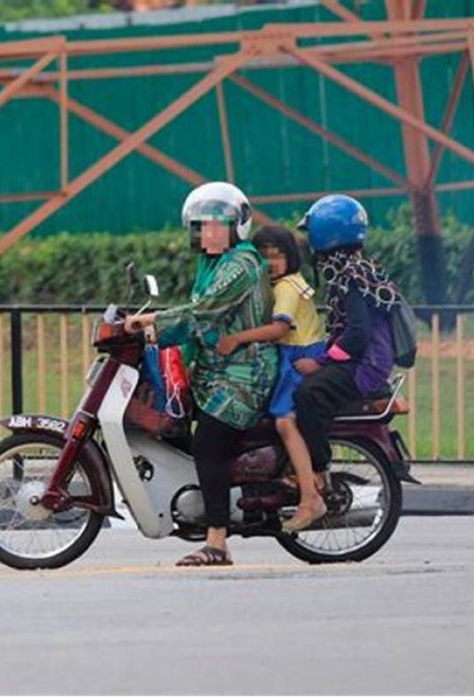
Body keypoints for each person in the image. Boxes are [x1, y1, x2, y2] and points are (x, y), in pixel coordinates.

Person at [125, 182, 278, 567]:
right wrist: (179, 363)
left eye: (216, 226)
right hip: (215, 372)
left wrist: (150, 325)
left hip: (245, 374)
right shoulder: (210, 265)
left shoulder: (242, 265)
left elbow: (203, 314)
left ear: (236, 227)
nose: (208, 233)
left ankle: (216, 543)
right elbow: (197, 321)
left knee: (209, 445)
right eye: (201, 226)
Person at [215, 225, 328, 532]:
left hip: (297, 357)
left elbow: (279, 329)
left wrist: (237, 339)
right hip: (288, 356)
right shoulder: (276, 286)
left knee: (284, 422)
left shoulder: (288, 287)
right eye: (264, 257)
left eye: (277, 257)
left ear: (290, 257)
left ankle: (310, 498)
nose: (270, 264)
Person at [293, 194, 401, 493]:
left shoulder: (350, 275)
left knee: (307, 395)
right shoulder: (354, 267)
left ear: (326, 235)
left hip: (366, 365)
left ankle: (317, 471)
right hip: (365, 360)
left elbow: (357, 333)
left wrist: (320, 362)